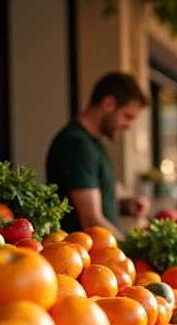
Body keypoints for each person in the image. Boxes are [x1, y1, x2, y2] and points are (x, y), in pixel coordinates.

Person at [46, 72, 151, 238]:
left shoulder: (93, 143)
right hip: (82, 257)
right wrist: (130, 253)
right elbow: (91, 220)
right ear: (109, 103)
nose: (129, 126)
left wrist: (123, 206)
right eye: (127, 116)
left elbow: (88, 203)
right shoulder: (77, 144)